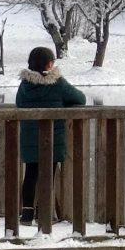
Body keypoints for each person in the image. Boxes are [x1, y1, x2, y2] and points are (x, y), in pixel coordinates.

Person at [16, 47, 86, 225]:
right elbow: (80, 98)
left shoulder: (25, 85)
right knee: (49, 175)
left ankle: (26, 214)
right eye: (52, 61)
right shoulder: (57, 83)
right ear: (48, 63)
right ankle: (44, 213)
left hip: (30, 139)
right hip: (53, 139)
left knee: (31, 174)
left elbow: (18, 104)